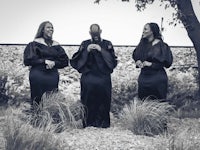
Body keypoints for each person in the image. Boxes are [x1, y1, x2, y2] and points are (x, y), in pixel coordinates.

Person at [70, 24, 117, 128]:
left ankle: (103, 123)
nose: (95, 35)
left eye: (97, 33)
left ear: (101, 31)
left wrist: (101, 50)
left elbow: (112, 61)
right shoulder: (85, 43)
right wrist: (86, 51)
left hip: (103, 77)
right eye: (93, 33)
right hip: (88, 77)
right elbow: (76, 60)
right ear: (89, 33)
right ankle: (88, 123)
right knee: (87, 99)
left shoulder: (107, 44)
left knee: (104, 99)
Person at [23, 21, 69, 110]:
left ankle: (50, 120)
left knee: (52, 99)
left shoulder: (56, 45)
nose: (51, 29)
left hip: (52, 76)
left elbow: (65, 61)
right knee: (38, 99)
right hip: (38, 75)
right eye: (48, 27)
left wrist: (54, 63)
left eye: (52, 28)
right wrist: (44, 61)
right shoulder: (34, 44)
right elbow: (28, 60)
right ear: (42, 30)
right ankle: (37, 119)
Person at [132, 22, 173, 100]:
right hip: (143, 78)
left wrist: (150, 64)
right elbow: (135, 55)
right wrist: (138, 61)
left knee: (158, 103)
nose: (143, 31)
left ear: (152, 31)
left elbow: (167, 63)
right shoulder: (142, 45)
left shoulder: (162, 46)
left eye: (145, 29)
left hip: (157, 78)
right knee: (143, 102)